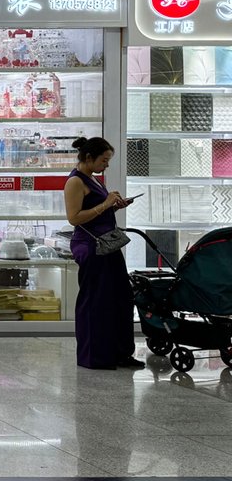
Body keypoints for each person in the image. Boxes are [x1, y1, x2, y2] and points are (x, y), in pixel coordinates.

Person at [64, 136, 142, 370]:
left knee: (121, 297)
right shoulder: (75, 182)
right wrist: (105, 204)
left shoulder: (93, 179)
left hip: (107, 244)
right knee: (96, 300)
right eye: (104, 160)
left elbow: (98, 209)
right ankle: (94, 355)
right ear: (89, 158)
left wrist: (114, 205)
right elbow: (74, 218)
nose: (106, 165)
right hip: (91, 246)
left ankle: (120, 351)